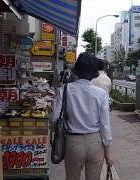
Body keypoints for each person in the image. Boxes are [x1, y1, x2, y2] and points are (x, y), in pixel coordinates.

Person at [51, 52, 112, 180]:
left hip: (73, 143)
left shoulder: (65, 89)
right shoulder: (101, 94)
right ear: (94, 73)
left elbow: (55, 119)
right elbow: (105, 126)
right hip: (95, 143)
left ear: (77, 71)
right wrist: (108, 153)